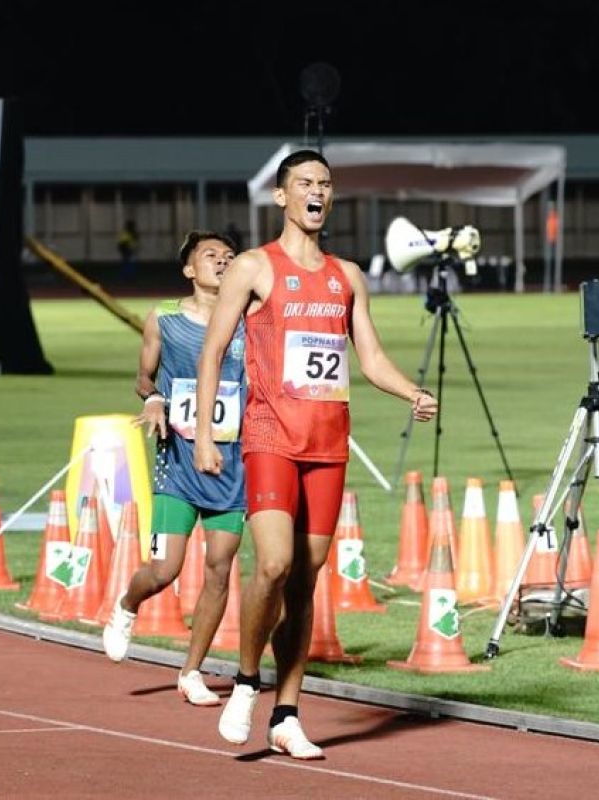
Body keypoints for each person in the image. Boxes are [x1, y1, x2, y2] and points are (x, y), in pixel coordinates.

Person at [192, 149, 438, 760]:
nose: (317, 193)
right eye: (304, 183)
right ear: (281, 196)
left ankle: (287, 711)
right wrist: (202, 433)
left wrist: (412, 390)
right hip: (270, 435)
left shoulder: (346, 276)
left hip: (328, 445)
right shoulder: (253, 267)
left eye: (325, 185)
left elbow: (370, 358)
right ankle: (247, 682)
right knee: (272, 564)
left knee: (305, 582)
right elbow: (214, 350)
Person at [102, 230, 247, 704]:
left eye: (229, 256)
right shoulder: (164, 318)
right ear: (189, 270)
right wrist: (156, 399)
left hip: (233, 463)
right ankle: (127, 605)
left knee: (220, 569)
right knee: (165, 569)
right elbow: (143, 377)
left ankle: (191, 671)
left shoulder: (251, 319)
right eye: (211, 256)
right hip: (179, 461)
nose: (222, 262)